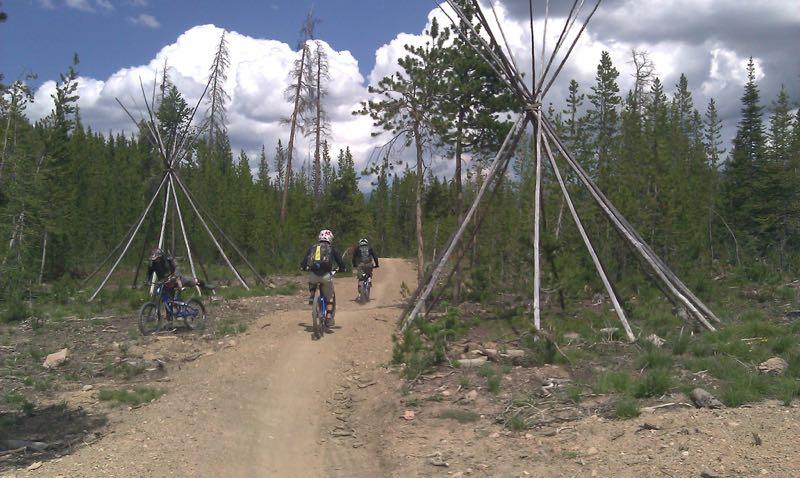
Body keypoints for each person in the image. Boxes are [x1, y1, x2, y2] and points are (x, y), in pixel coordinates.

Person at [300, 229, 345, 325]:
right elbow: (340, 262)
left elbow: (304, 261)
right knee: (330, 297)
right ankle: (328, 317)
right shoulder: (332, 249)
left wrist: (303, 267)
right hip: (325, 276)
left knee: (312, 282)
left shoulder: (312, 247)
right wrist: (342, 268)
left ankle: (312, 295)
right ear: (330, 238)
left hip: (313, 275)